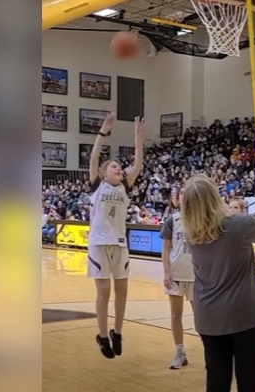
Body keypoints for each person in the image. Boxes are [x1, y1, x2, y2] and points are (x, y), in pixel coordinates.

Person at [180, 174, 255, 392]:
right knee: (249, 382)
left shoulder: (190, 233)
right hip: (243, 315)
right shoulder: (238, 224)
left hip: (208, 316)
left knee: (217, 380)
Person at [88, 113, 145, 359]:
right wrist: (103, 131)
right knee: (104, 293)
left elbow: (139, 163)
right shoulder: (97, 184)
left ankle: (117, 332)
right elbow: (93, 156)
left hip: (120, 243)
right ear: (104, 172)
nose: (119, 168)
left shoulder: (125, 185)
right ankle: (102, 335)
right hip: (99, 244)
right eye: (114, 166)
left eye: (120, 167)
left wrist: (137, 136)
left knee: (122, 291)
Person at [160, 188, 194, 370]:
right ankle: (180, 352)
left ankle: (212, 352)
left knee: (203, 317)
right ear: (178, 199)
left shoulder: (200, 219)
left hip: (197, 275)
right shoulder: (172, 220)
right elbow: (165, 249)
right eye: (182, 194)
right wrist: (166, 272)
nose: (185, 197)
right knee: (176, 315)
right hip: (176, 274)